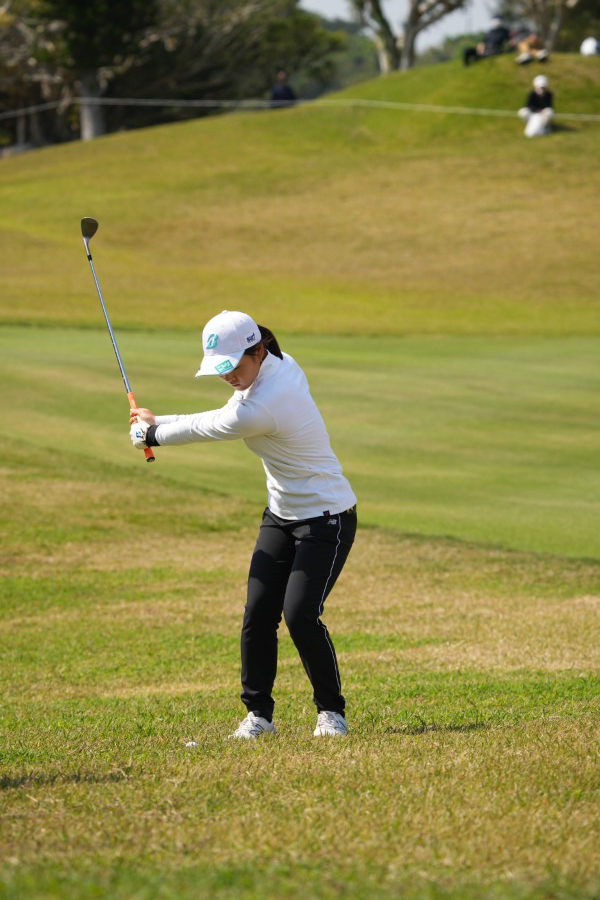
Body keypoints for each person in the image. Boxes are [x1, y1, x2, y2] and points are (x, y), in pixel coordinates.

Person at [129, 310, 357, 740]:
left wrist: (154, 435)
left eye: (233, 365)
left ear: (257, 351)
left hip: (327, 518)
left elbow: (218, 426)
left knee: (300, 615)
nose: (229, 376)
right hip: (281, 515)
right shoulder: (272, 368)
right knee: (258, 613)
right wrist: (158, 423)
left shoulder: (269, 399)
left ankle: (331, 713)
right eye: (221, 369)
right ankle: (259, 716)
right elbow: (221, 412)